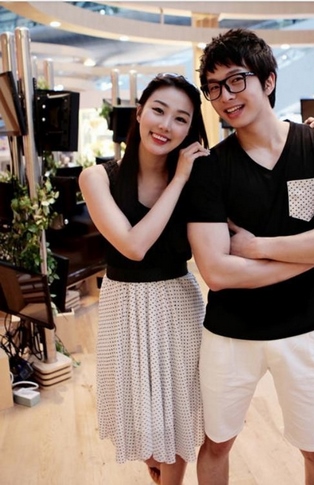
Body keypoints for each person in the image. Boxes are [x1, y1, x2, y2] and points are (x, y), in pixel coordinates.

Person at [186, 28, 314, 485]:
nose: (225, 97)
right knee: (216, 444)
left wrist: (257, 247)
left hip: (307, 327)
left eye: (236, 80)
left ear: (268, 80)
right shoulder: (210, 168)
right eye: (214, 88)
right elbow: (217, 272)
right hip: (230, 333)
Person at [79, 73, 211, 485]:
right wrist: (180, 179)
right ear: (139, 113)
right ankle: (158, 466)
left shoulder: (197, 175)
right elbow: (133, 246)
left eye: (181, 119)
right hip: (124, 305)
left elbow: (235, 227)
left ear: (190, 130)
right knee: (143, 416)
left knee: (178, 412)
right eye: (158, 110)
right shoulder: (97, 178)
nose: (165, 125)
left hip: (178, 302)